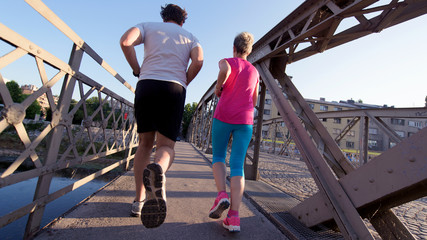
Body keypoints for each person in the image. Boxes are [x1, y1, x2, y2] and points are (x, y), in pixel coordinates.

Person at [120, 3, 203, 228]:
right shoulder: (191, 37)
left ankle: (138, 201)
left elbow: (125, 42)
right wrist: (185, 79)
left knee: (144, 145)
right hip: (174, 89)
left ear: (164, 17)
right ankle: (159, 169)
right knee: (166, 147)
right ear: (182, 21)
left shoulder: (147, 26)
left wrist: (137, 69)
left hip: (146, 84)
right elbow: (199, 61)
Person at [208, 32, 259, 232]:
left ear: (234, 48)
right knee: (238, 165)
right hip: (245, 121)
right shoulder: (255, 71)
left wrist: (219, 87)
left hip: (223, 116)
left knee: (219, 156)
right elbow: (254, 101)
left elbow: (225, 69)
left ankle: (221, 195)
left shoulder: (228, 61)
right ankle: (234, 218)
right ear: (249, 50)